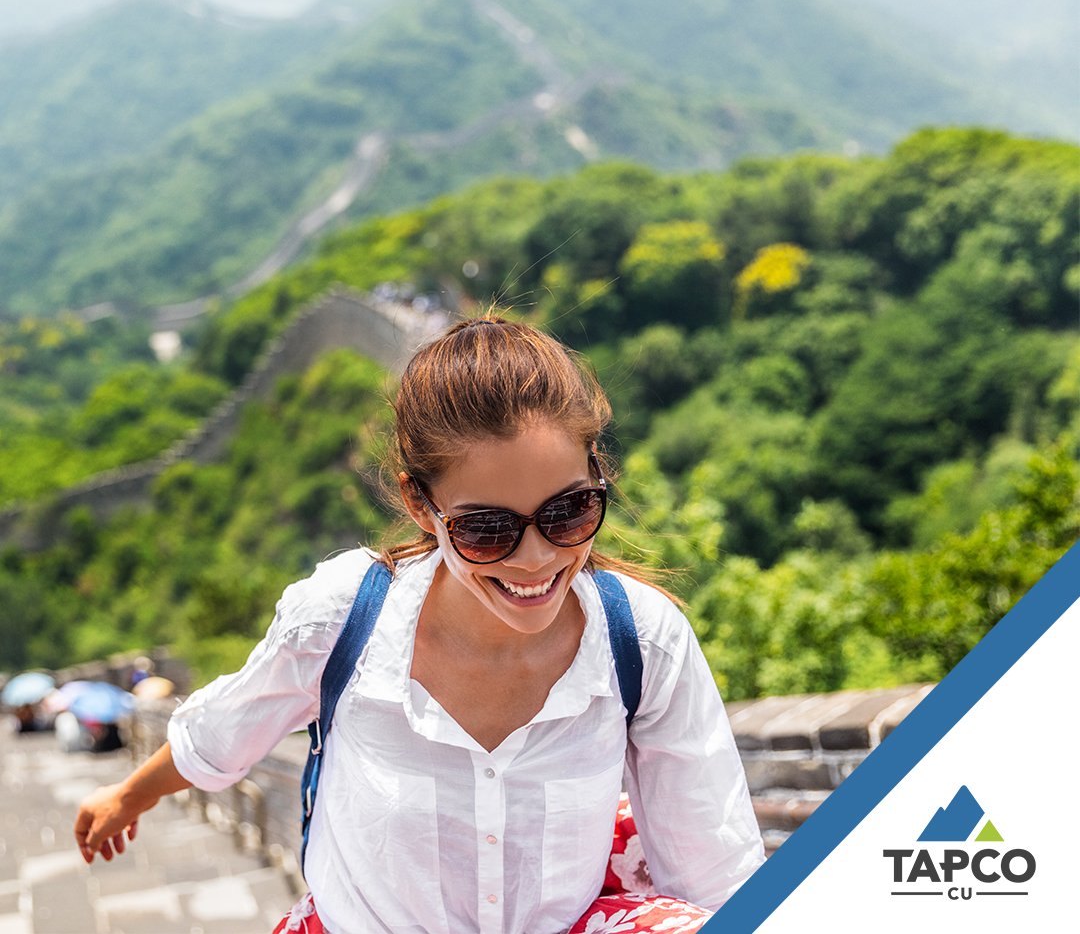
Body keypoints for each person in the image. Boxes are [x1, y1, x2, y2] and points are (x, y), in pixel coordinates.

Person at [74, 315, 764, 933]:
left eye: (568, 512)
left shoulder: (640, 641)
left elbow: (714, 867)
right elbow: (225, 733)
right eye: (487, 528)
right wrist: (128, 796)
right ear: (420, 506)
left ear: (597, 477)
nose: (536, 558)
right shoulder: (343, 619)